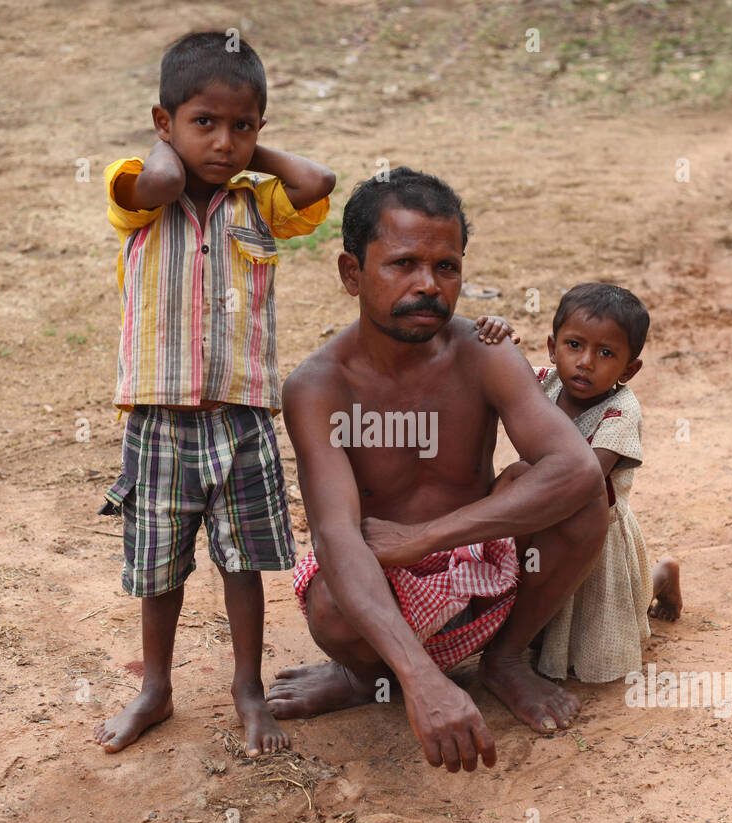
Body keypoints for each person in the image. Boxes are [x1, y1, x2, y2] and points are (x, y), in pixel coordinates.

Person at [268, 167, 610, 773]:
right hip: (379, 580)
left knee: (585, 494)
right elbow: (337, 535)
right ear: (353, 274)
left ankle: (504, 662)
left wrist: (429, 537)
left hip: (477, 559)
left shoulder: (484, 351)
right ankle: (367, 676)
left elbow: (574, 468)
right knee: (329, 606)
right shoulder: (318, 386)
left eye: (446, 267)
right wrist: (421, 679)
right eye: (403, 264)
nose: (428, 285)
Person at [93, 32, 336, 755]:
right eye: (204, 122)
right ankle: (155, 689)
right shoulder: (136, 189)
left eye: (243, 125)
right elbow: (162, 184)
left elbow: (319, 182)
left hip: (241, 420)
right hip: (159, 422)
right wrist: (183, 147)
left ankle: (247, 689)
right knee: (160, 569)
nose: (224, 141)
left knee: (242, 565)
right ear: (162, 123)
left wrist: (243, 153)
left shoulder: (260, 201)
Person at [480, 284, 683, 684]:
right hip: (540, 518)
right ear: (553, 348)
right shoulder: (545, 381)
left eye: (606, 353)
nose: (586, 362)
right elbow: (500, 372)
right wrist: (497, 335)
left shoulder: (621, 411)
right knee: (544, 593)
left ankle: (663, 575)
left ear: (629, 369)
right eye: (574, 345)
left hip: (595, 533)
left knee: (607, 611)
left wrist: (515, 477)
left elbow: (582, 479)